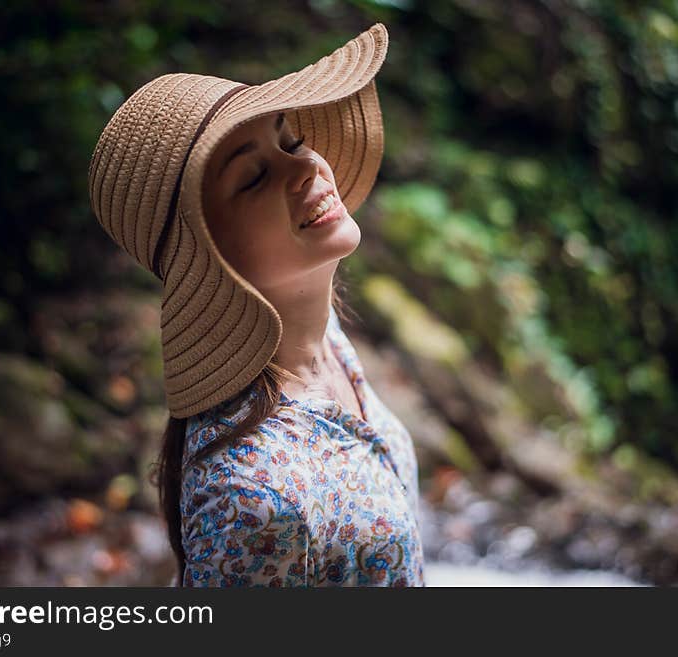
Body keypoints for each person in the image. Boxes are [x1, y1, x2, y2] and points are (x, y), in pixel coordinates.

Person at [88, 23, 424, 586]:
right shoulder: (252, 497)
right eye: (253, 177)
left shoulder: (321, 337)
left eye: (290, 141)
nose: (307, 167)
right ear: (211, 253)